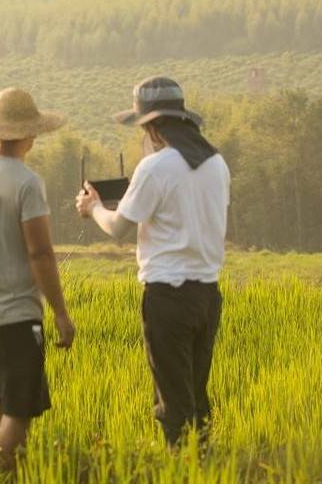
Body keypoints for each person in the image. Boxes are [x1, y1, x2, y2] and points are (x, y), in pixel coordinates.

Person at [76, 76, 229, 447]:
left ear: (152, 125)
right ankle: (202, 460)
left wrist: (93, 206)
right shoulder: (216, 163)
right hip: (207, 296)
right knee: (195, 391)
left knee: (172, 399)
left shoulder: (155, 167)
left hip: (168, 297)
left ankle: (181, 465)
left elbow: (118, 227)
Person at [0, 87, 76, 472]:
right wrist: (60, 312)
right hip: (15, 317)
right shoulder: (26, 182)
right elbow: (39, 252)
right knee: (18, 410)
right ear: (30, 133)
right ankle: (4, 476)